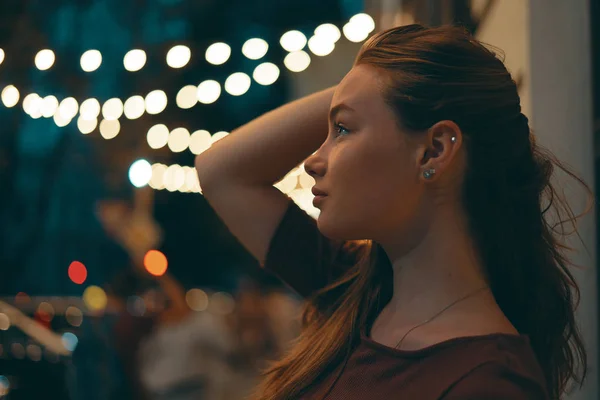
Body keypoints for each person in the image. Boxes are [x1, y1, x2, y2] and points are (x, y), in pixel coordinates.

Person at [195, 24, 591, 400]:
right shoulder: (356, 293)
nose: (313, 160)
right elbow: (219, 171)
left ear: (434, 150)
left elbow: (223, 175)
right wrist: (374, 82)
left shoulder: (488, 383)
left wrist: (387, 83)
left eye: (343, 130)